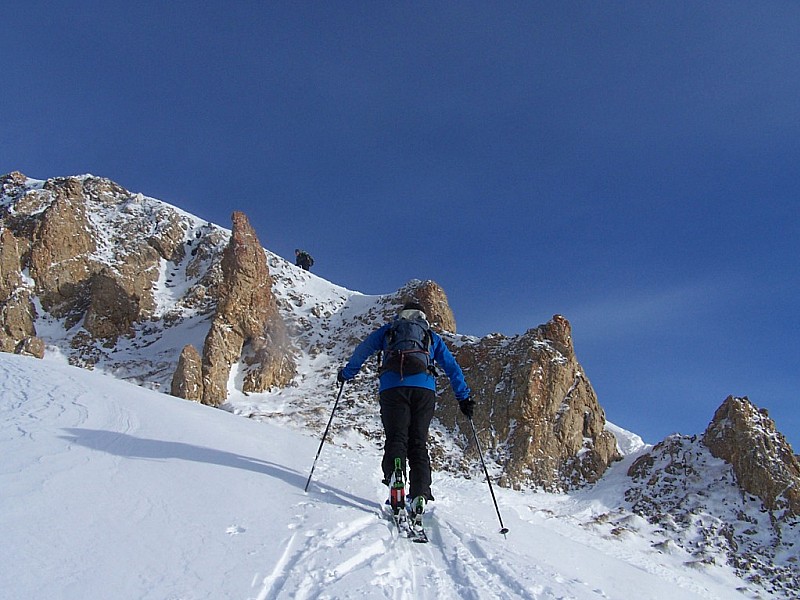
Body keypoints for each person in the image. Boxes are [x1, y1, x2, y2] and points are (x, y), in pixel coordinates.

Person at [337, 302, 474, 514]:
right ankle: (419, 493)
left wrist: (347, 374)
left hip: (392, 388)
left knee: (396, 437)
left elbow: (362, 350)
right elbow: (451, 367)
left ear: (401, 315)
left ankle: (395, 476)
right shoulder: (430, 336)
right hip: (424, 391)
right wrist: (463, 397)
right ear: (422, 316)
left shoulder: (389, 331)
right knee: (418, 442)